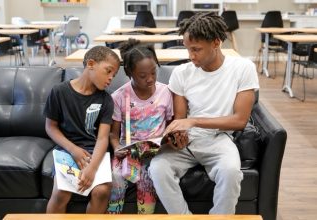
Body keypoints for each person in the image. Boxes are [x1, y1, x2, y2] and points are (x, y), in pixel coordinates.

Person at [149, 12, 259, 214]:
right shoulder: (182, 73)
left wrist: (193, 122)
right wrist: (177, 136)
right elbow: (180, 119)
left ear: (216, 42)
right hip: (188, 142)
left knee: (231, 172)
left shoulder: (243, 68)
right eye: (188, 49)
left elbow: (240, 120)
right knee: (157, 168)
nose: (191, 56)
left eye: (196, 49)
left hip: (219, 139)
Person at [44, 46, 120, 213]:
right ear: (91, 64)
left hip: (95, 152)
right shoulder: (59, 92)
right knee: (61, 193)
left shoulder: (106, 99)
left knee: (102, 191)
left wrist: (92, 168)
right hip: (67, 150)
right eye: (108, 71)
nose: (110, 79)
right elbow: (50, 127)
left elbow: (102, 138)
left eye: (113, 76)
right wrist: (73, 150)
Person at [107, 39, 173, 214]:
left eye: (153, 72)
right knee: (115, 177)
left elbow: (171, 125)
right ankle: (114, 215)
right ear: (129, 72)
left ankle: (145, 216)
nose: (150, 79)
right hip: (128, 151)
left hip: (155, 152)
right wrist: (116, 147)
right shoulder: (119, 97)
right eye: (143, 76)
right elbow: (113, 135)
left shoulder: (166, 92)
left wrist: (168, 139)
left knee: (148, 178)